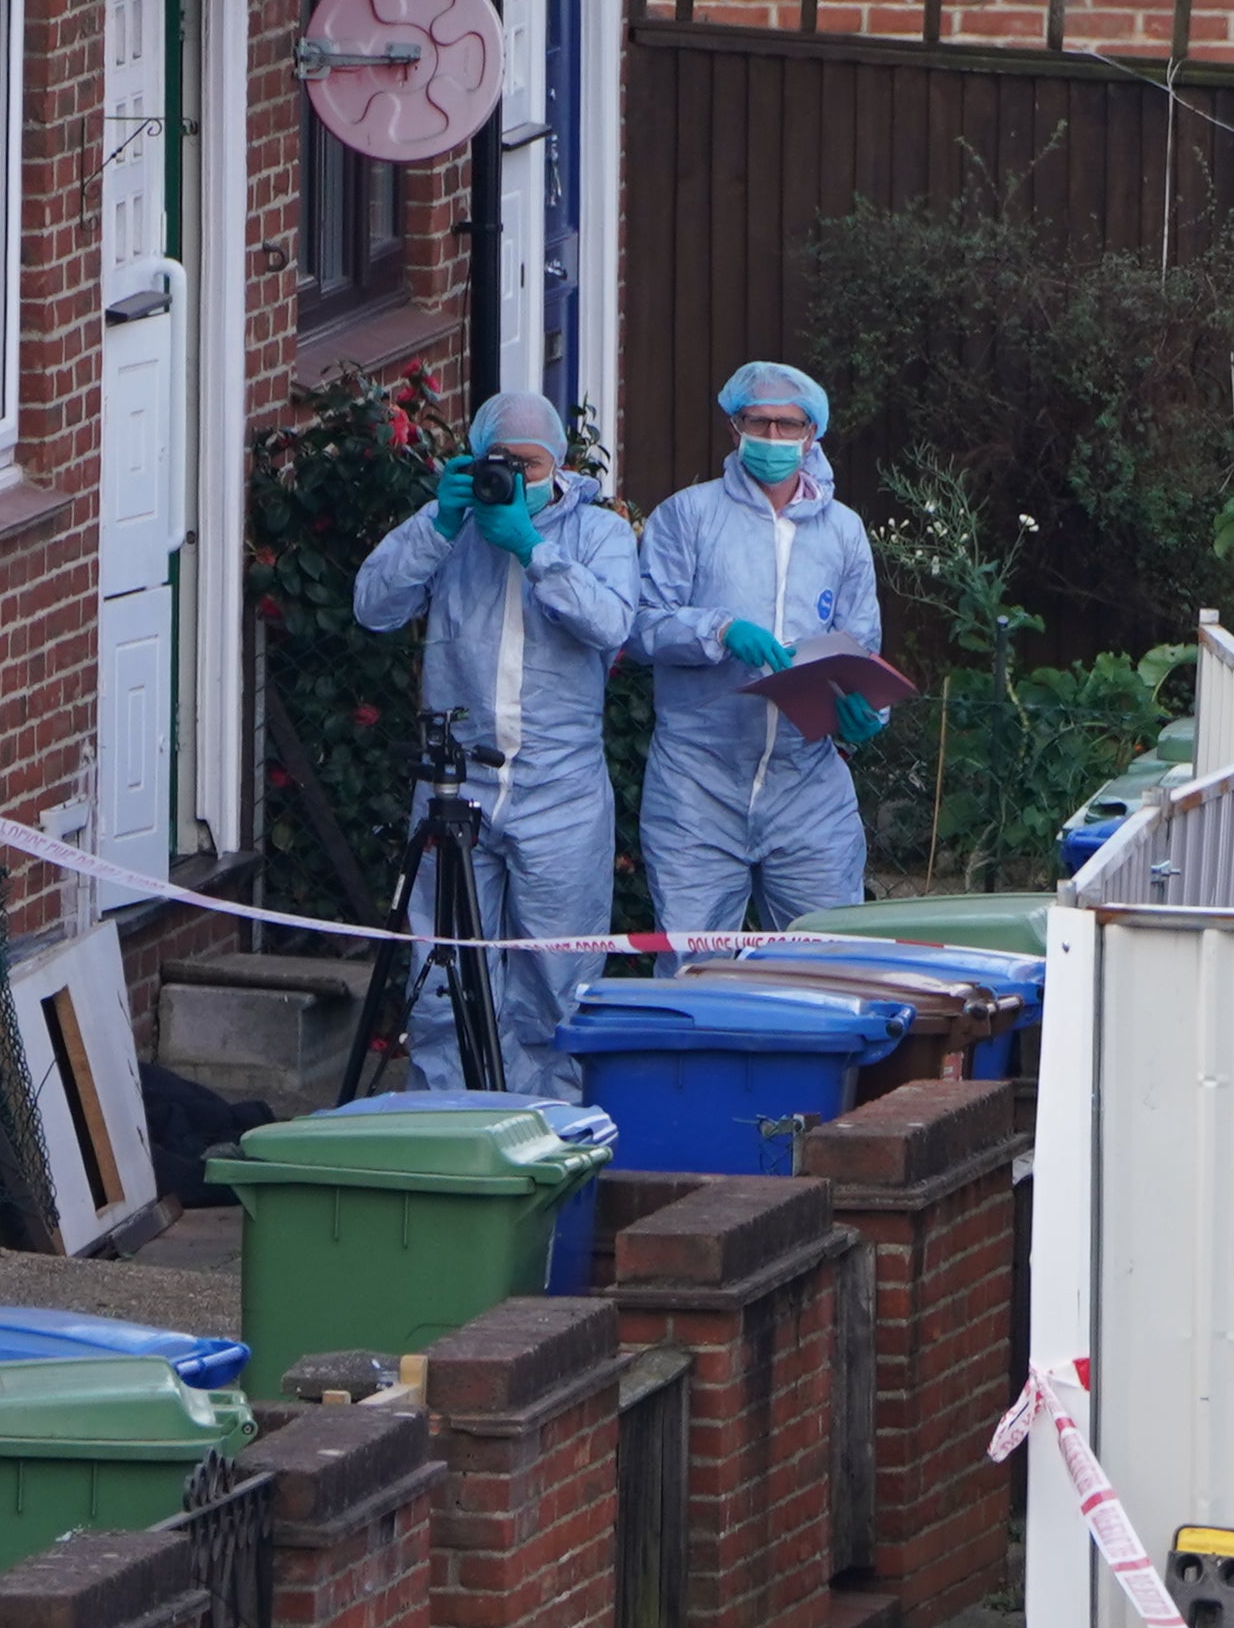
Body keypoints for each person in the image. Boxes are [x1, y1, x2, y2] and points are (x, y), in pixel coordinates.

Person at [350, 388, 641, 1095]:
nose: (510, 478)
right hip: (456, 787)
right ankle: (451, 1132)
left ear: (560, 469)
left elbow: (613, 624)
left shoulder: (597, 534)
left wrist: (532, 549)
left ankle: (550, 1139)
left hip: (560, 789)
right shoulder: (447, 528)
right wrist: (441, 525)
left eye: (529, 465)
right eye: (497, 463)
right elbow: (373, 605)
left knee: (554, 982)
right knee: (441, 976)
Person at [632, 361, 887, 934]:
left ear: (811, 434)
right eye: (759, 423)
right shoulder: (689, 516)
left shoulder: (842, 533)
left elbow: (861, 647)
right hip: (698, 783)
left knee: (827, 961)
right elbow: (642, 625)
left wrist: (866, 712)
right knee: (696, 966)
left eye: (787, 425)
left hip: (807, 786)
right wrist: (717, 631)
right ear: (733, 427)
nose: (772, 438)